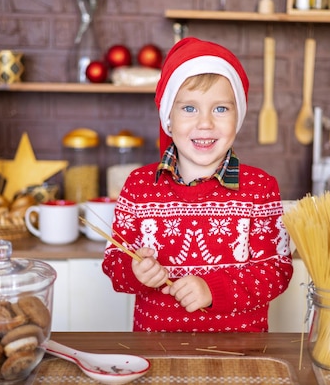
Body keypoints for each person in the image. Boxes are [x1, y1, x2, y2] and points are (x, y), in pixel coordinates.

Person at [102, 37, 293, 332]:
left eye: (220, 109)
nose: (205, 123)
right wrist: (135, 270)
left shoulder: (260, 187)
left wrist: (211, 289)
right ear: (168, 118)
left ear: (238, 117)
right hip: (157, 352)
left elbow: (276, 271)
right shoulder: (139, 186)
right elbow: (114, 262)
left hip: (242, 356)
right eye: (189, 108)